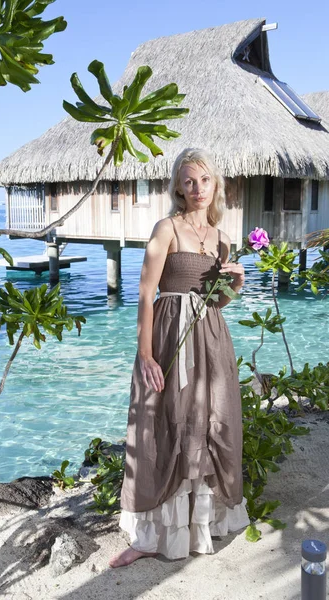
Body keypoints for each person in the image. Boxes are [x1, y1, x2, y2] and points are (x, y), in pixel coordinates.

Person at [109, 147, 250, 568]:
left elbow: (217, 301)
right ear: (177, 187)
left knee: (207, 421)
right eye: (189, 181)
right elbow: (145, 293)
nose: (198, 188)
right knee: (161, 422)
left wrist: (237, 283)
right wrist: (145, 355)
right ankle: (151, 536)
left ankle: (196, 526)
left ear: (216, 185)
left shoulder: (222, 238)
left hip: (209, 339)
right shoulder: (167, 228)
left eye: (204, 180)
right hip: (170, 337)